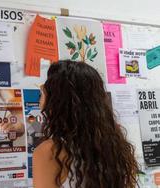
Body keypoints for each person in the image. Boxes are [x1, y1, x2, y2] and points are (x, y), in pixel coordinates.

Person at [33, 60, 138, 188]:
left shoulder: (50, 152)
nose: (41, 100)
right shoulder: (116, 146)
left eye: (43, 92)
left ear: (56, 101)